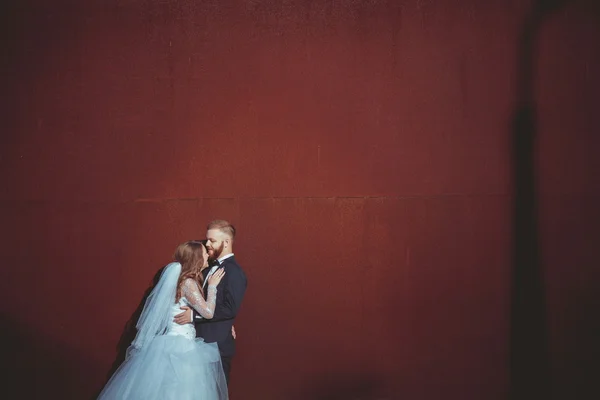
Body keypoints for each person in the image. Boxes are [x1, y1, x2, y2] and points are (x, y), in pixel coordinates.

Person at [98, 241, 229, 400]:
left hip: (171, 344)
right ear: (196, 259)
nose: (208, 255)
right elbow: (208, 312)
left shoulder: (182, 281)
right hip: (181, 348)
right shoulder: (188, 283)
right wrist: (213, 286)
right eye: (204, 253)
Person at [174, 220, 247, 384]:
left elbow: (229, 309)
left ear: (226, 242)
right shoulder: (205, 267)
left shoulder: (234, 272)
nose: (207, 244)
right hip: (195, 345)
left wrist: (193, 316)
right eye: (207, 240)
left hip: (217, 347)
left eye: (212, 241)